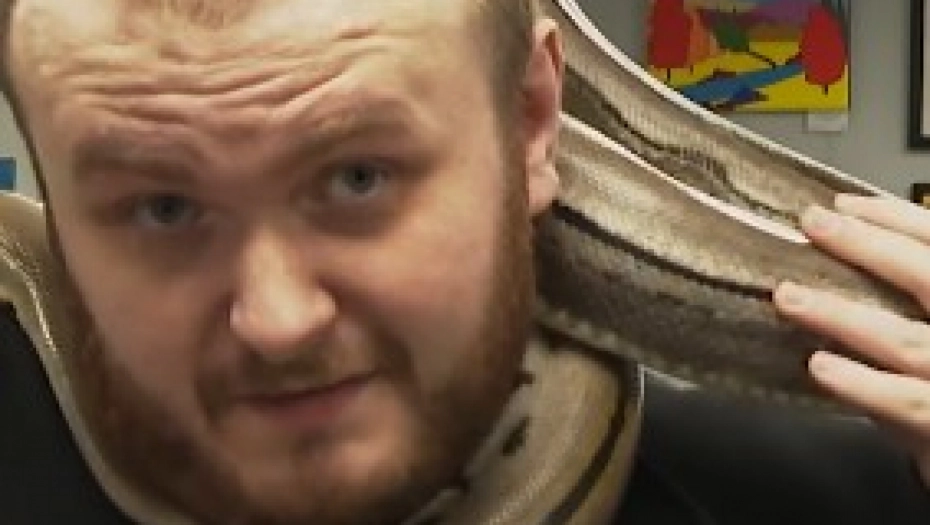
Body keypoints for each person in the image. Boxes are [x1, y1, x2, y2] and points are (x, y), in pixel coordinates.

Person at [0, 0, 929, 523]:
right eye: (162, 208)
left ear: (532, 122)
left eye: (358, 178)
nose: (279, 320)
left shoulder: (846, 494)